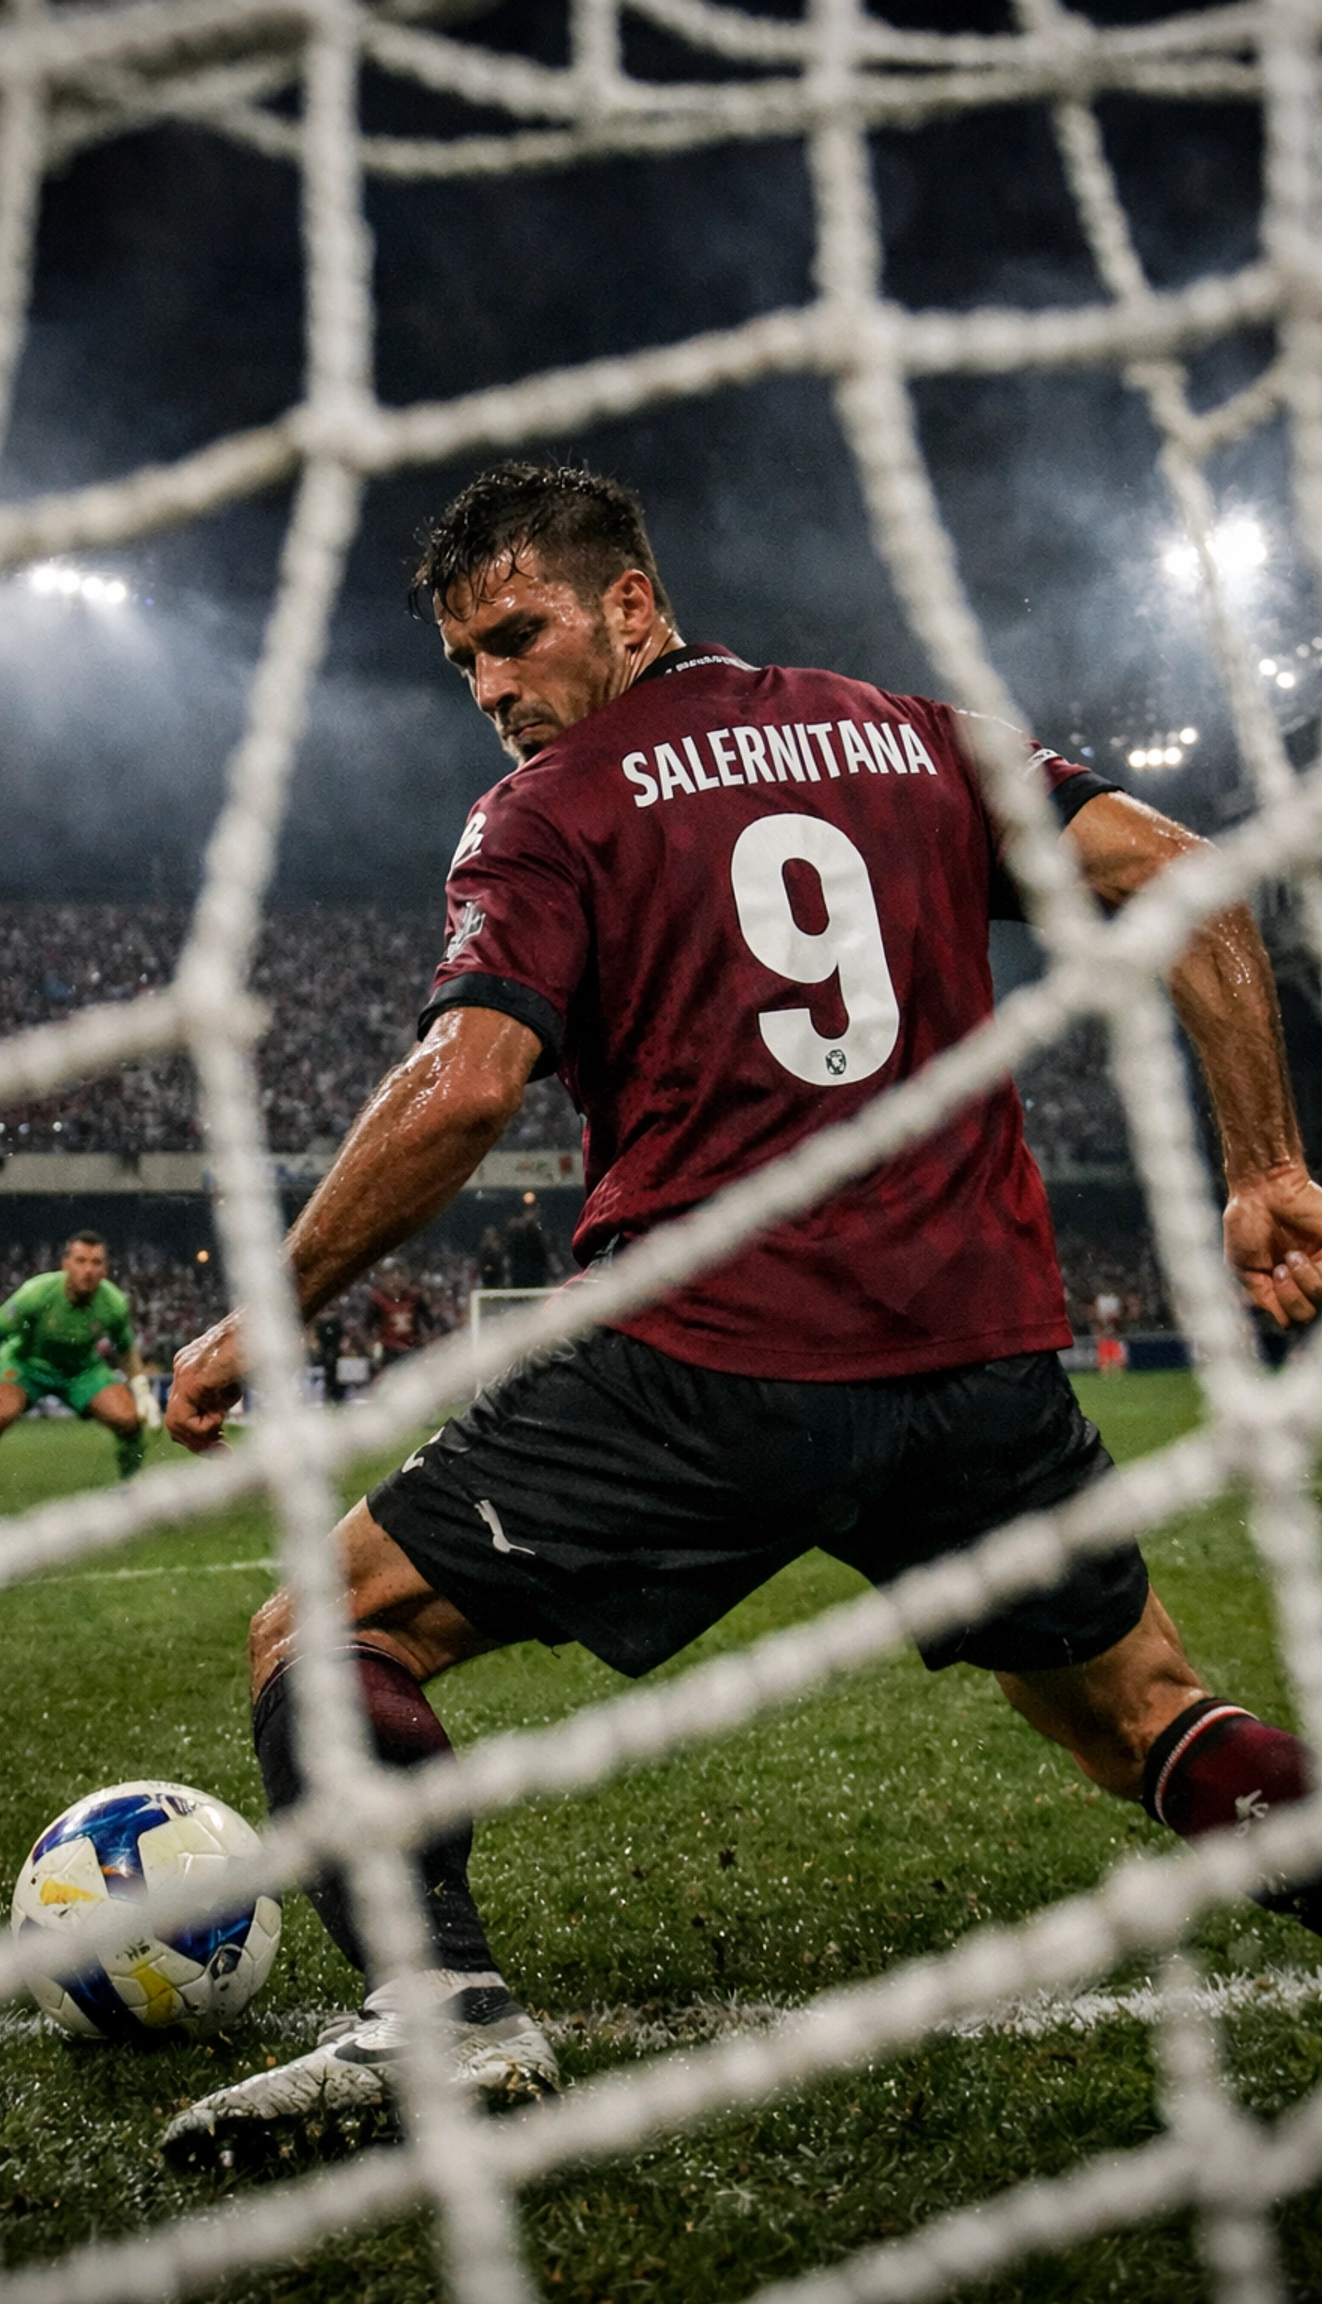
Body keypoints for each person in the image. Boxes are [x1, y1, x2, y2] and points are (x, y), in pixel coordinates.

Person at [160, 462, 1322, 2167]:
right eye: (465, 661)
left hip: (709, 1354)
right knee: (1144, 1710)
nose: (491, 687)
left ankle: (444, 2017)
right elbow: (1197, 883)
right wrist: (1267, 1161)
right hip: (979, 1362)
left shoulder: (552, 806)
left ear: (632, 599)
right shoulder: (914, 736)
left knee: (321, 1632)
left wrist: (272, 1298)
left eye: (514, 634)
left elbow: (468, 1081)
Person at [0, 1230, 161, 1528]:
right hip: (26, 1365)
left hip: (82, 1371)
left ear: (105, 1269)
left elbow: (126, 1351)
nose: (88, 1269)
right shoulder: (35, 1294)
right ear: (65, 1264)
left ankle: (131, 1492)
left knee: (129, 1421)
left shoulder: (114, 1303)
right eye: (80, 1260)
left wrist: (142, 1393)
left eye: (96, 1262)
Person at [503, 1192, 551, 1289]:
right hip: (519, 1275)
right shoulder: (515, 1230)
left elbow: (545, 1248)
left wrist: (534, 1227)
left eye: (532, 1211)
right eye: (527, 1211)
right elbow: (509, 1246)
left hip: (537, 1275)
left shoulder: (539, 1230)